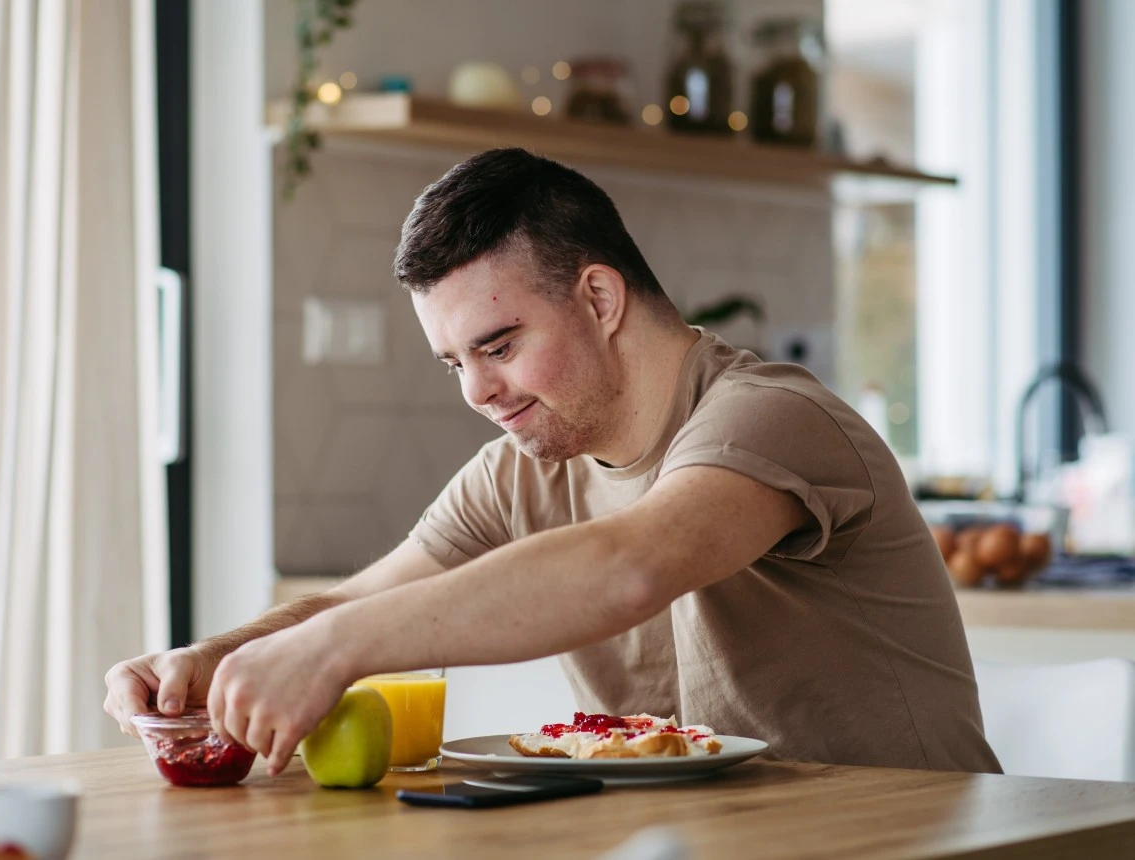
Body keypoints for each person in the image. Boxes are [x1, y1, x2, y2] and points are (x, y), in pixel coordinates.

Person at [104, 148, 1001, 776]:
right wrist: (210, 660)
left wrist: (334, 650)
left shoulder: (771, 419)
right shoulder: (521, 472)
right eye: (455, 363)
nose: (477, 393)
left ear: (601, 297)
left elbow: (627, 567)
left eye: (498, 345)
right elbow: (354, 601)